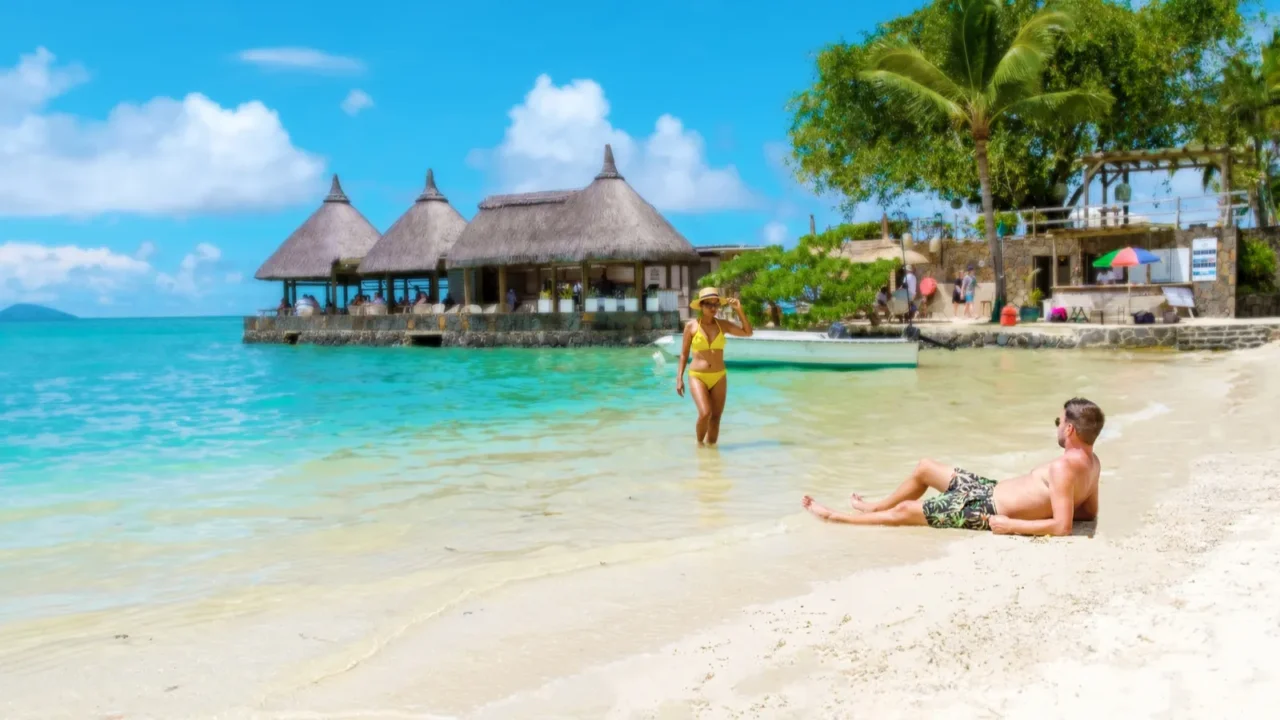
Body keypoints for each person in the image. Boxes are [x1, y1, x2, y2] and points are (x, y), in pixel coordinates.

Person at [801, 398, 1104, 536]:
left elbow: (1062, 527)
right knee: (925, 468)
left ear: (1069, 431)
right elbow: (1088, 512)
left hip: (987, 510)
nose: (1057, 427)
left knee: (908, 511)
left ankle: (837, 518)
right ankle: (874, 507)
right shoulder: (1093, 463)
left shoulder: (1065, 468)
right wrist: (1051, 505)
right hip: (987, 489)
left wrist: (1014, 525)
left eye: (1058, 422)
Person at [676, 287, 754, 447]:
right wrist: (679, 378)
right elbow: (684, 354)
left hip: (719, 376)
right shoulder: (691, 326)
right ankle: (699, 444)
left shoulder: (723, 325)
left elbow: (748, 332)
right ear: (701, 307)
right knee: (705, 414)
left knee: (716, 418)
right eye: (709, 305)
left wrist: (739, 310)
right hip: (697, 375)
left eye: (716, 305)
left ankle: (711, 455)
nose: (713, 308)